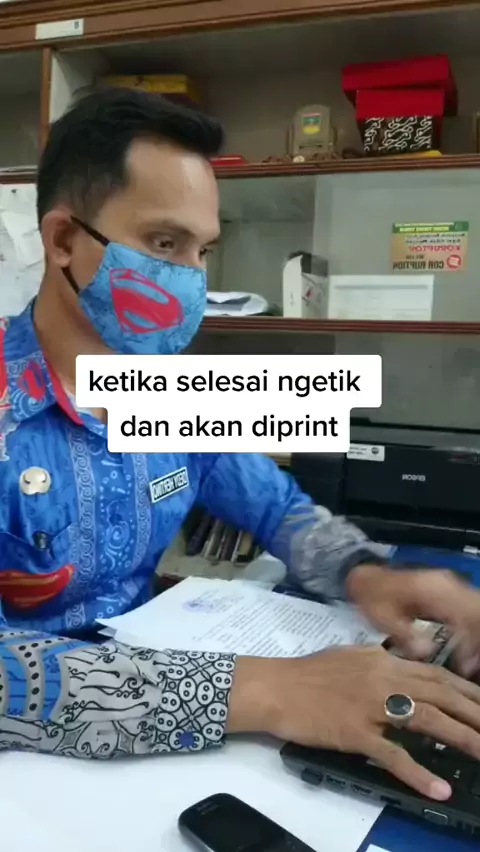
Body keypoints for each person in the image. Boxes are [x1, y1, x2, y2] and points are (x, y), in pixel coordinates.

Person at [0, 89, 479, 802]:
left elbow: (276, 506)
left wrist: (364, 573)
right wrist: (266, 692)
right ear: (64, 240)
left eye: (203, 252)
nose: (192, 280)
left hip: (162, 760)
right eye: (165, 244)